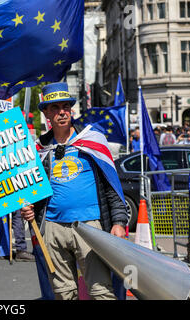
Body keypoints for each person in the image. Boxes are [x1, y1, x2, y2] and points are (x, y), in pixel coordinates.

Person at [20, 82, 128, 300]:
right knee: (62, 292)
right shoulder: (39, 149)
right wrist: (27, 209)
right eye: (55, 108)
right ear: (46, 113)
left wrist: (119, 222)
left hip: (90, 226)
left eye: (66, 107)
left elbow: (112, 187)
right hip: (52, 228)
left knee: (101, 291)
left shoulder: (92, 141)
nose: (62, 112)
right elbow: (31, 194)